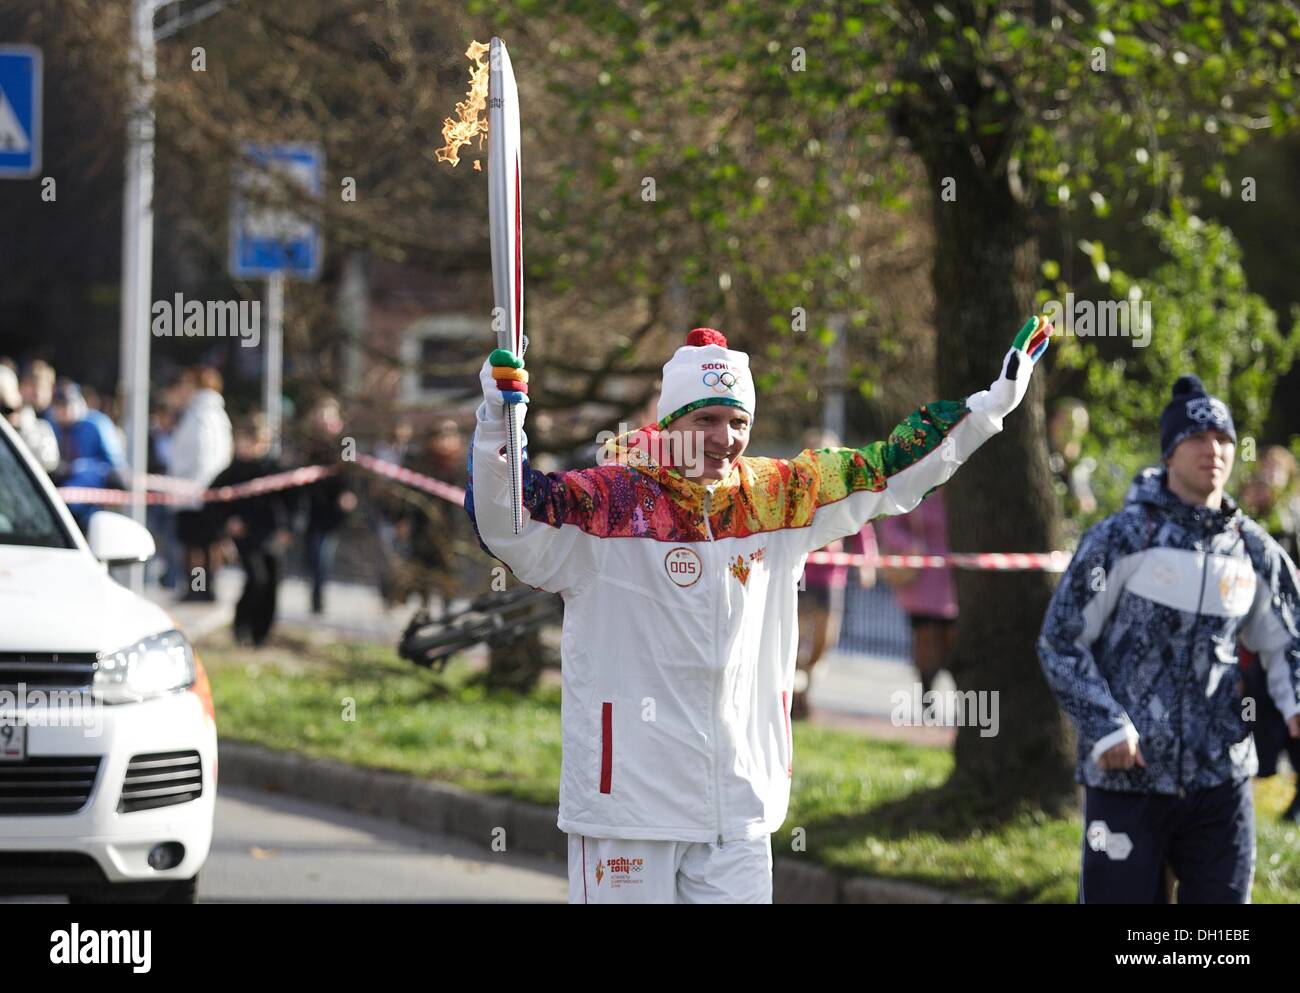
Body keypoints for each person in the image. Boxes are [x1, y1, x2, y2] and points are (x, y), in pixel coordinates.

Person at [467, 318, 1052, 904]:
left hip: (738, 807)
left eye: (738, 421)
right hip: (629, 810)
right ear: (671, 423)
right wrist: (499, 425)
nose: (725, 437)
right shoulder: (606, 504)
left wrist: (984, 411)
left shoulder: (777, 498)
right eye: (707, 420)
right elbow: (506, 520)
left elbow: (884, 471)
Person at [1039, 375, 1300, 904]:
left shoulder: (1254, 551)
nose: (1214, 450)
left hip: (1220, 780)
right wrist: (1106, 726)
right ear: (1171, 449)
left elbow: (1287, 642)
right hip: (1127, 779)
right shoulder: (1121, 538)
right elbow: (1061, 640)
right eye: (1198, 438)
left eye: (1224, 438)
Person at [794, 427, 877, 720]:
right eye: (816, 453)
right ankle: (794, 694)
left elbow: (862, 530)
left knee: (824, 642)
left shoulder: (846, 490)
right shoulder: (796, 487)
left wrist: (868, 564)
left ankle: (802, 685)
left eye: (829, 453)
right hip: (801, 576)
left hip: (832, 577)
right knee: (797, 638)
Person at [1238, 445, 1300, 822]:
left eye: (1277, 468)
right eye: (1265, 467)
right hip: (1250, 631)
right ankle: (1254, 778)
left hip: (1289, 629)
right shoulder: (1244, 516)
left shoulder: (1293, 515)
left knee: (1292, 708)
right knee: (1253, 707)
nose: (1269, 474)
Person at [208, 415, 291, 646]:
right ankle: (241, 626)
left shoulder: (273, 469)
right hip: (246, 538)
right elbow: (212, 501)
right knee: (257, 579)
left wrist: (288, 527)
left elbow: (290, 500)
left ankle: (261, 634)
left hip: (270, 536)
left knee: (273, 581)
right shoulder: (231, 472)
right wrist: (227, 524)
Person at [875, 490, 958, 696]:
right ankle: (927, 693)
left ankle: (961, 698)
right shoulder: (918, 490)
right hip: (921, 582)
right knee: (927, 639)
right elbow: (889, 526)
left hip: (952, 581)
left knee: (952, 640)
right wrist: (911, 546)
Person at [298, 396, 356, 615]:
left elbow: (351, 470)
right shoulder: (310, 442)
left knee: (323, 551)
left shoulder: (345, 441)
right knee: (312, 552)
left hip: (333, 507)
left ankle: (319, 593)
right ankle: (315, 588)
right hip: (313, 505)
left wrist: (348, 493)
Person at [0, 363, 58, 473]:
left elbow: (48, 461)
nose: (37, 393)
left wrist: (21, 428)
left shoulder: (40, 426)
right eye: (30, 385)